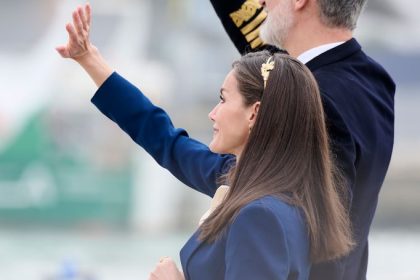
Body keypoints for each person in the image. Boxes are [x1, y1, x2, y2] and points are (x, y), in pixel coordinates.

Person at [56, 4, 354, 280]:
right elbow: (164, 139)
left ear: (255, 113)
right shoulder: (261, 185)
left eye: (223, 99)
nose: (213, 113)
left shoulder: (260, 215)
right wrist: (89, 59)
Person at [208, 0, 396, 279]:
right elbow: (265, 62)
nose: (260, 2)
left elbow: (322, 246)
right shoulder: (373, 78)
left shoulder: (317, 100)